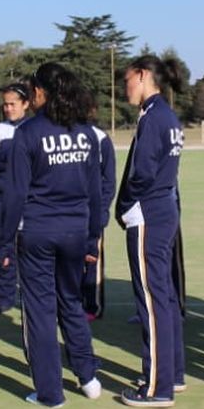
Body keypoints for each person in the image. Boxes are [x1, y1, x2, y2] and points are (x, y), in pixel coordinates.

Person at [0, 62, 105, 407]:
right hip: (75, 231)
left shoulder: (28, 133)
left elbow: (14, 194)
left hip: (39, 232)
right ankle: (88, 376)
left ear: (41, 92)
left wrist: (3, 240)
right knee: (71, 302)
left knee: (40, 311)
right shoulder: (86, 133)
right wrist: (92, 238)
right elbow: (95, 192)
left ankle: (49, 392)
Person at [115, 54, 186, 408]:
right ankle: (172, 372)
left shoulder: (154, 117)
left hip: (149, 215)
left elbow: (140, 173)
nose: (123, 86)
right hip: (164, 211)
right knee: (165, 295)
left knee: (152, 298)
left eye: (127, 79)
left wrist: (124, 205)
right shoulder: (167, 115)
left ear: (143, 76)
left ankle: (158, 387)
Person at [0, 82, 31, 314]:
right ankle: (4, 297)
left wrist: (7, 151)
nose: (8, 109)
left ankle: (29, 294)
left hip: (30, 198)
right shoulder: (0, 129)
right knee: (4, 246)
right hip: (2, 197)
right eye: (5, 105)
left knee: (29, 247)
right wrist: (10, 155)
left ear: (26, 104)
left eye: (13, 104)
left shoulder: (34, 128)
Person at [80, 120, 116, 320]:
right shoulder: (66, 133)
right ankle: (72, 303)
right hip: (69, 211)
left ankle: (93, 306)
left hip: (93, 212)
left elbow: (109, 180)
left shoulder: (100, 138)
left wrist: (101, 211)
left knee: (93, 259)